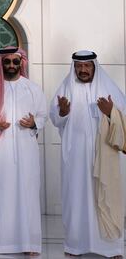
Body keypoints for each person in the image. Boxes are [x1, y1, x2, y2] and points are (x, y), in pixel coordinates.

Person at [51, 50, 126, 258]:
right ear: (74, 67)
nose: (83, 70)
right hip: (74, 156)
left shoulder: (108, 88)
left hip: (104, 157)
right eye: (79, 66)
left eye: (87, 66)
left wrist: (111, 112)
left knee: (107, 195)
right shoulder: (66, 88)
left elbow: (123, 117)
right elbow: (55, 118)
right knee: (75, 198)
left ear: (94, 67)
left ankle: (111, 247)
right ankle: (76, 245)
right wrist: (62, 113)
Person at [0, 47, 45, 255]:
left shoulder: (33, 89)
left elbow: (44, 115)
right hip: (1, 152)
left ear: (21, 64)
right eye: (6, 61)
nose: (10, 65)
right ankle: (4, 243)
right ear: (1, 63)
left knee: (28, 194)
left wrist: (35, 122)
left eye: (14, 62)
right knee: (2, 194)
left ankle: (30, 244)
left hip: (27, 151)